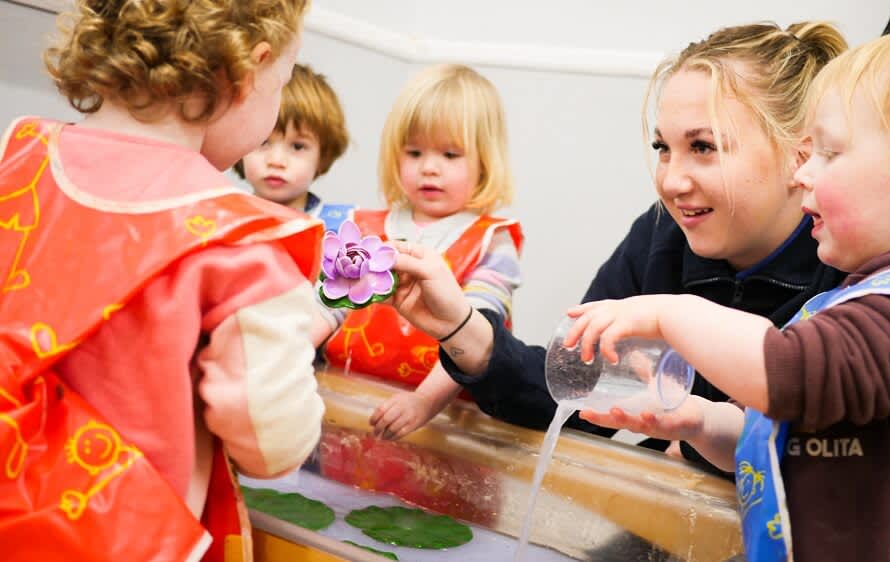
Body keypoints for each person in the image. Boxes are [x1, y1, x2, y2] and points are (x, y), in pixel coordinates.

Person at [565, 24, 890, 562]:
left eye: (830, 154)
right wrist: (700, 420)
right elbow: (794, 431)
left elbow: (788, 373)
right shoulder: (876, 299)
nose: (804, 173)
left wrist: (669, 313)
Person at [385, 22, 848, 470]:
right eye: (663, 147)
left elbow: (833, 450)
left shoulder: (850, 273)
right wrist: (462, 328)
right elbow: (572, 395)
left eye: (703, 147)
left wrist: (698, 442)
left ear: (799, 157)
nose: (670, 180)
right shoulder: (660, 234)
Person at [0, 1, 325, 560]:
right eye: (284, 82)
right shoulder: (242, 242)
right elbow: (273, 442)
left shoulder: (17, 158)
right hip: (122, 539)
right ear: (251, 70)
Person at [320, 64, 523, 441]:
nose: (429, 168)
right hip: (348, 413)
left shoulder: (492, 243)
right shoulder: (361, 228)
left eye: (449, 154)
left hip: (445, 429)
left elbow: (478, 333)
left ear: (484, 162)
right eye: (414, 152)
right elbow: (329, 306)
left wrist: (423, 403)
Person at [235, 63, 355, 234]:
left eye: (298, 146)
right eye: (263, 142)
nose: (276, 161)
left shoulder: (340, 229)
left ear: (323, 157)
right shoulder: (223, 219)